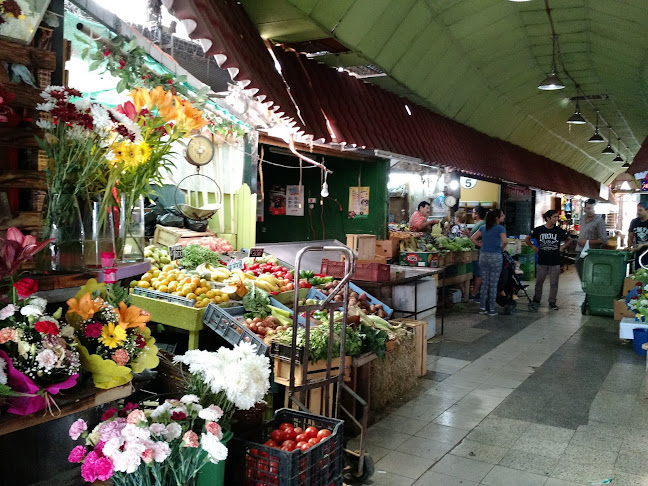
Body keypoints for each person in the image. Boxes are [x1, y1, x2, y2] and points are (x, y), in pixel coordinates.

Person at [525, 210, 569, 310]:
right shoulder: (538, 230)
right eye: (554, 217)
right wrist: (533, 247)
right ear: (548, 218)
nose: (556, 219)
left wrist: (563, 246)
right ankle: (536, 299)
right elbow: (527, 239)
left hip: (555, 260)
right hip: (542, 260)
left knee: (554, 283)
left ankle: (552, 302)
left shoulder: (559, 230)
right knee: (539, 282)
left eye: (557, 217)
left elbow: (570, 239)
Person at [470, 209, 507, 316]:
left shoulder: (483, 227)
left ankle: (482, 308)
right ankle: (491, 309)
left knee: (484, 282)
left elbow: (472, 238)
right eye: (502, 215)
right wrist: (501, 248)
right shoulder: (500, 228)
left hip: (483, 256)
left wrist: (481, 245)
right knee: (493, 284)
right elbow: (504, 241)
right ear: (497, 218)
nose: (503, 217)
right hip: (495, 256)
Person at [575, 198, 608, 278]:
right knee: (579, 268)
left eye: (592, 208)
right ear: (584, 208)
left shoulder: (599, 221)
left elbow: (603, 240)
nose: (590, 210)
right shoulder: (582, 218)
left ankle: (589, 288)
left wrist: (587, 242)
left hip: (592, 253)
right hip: (580, 250)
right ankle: (584, 287)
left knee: (590, 274)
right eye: (588, 208)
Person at [469, 206, 487, 301]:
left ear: (477, 214)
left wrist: (479, 244)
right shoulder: (479, 224)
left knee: (479, 273)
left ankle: (475, 292)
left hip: (479, 252)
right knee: (477, 272)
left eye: (473, 212)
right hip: (476, 252)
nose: (472, 214)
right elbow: (474, 237)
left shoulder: (483, 224)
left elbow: (484, 238)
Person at [628, 202, 648, 271]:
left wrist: (642, 245)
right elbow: (630, 236)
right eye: (637, 210)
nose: (638, 212)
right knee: (638, 273)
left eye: (640, 210)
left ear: (647, 211)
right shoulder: (634, 222)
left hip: (647, 252)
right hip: (638, 253)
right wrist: (629, 247)